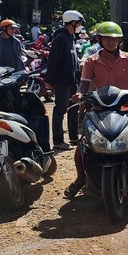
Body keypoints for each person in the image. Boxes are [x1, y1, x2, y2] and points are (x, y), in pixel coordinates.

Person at [64, 21, 128, 203]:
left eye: (115, 39)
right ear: (100, 40)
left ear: (120, 40)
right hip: (98, 108)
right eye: (107, 39)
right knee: (83, 146)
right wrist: (80, 93)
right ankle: (80, 178)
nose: (111, 43)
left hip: (125, 108)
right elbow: (84, 83)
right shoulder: (91, 61)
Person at [45, 10, 84, 150]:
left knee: (74, 108)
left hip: (72, 80)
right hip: (62, 80)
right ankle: (58, 141)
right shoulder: (61, 38)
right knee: (60, 110)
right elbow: (53, 61)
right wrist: (50, 80)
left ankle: (74, 137)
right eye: (78, 23)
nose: (80, 26)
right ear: (72, 22)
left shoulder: (70, 38)